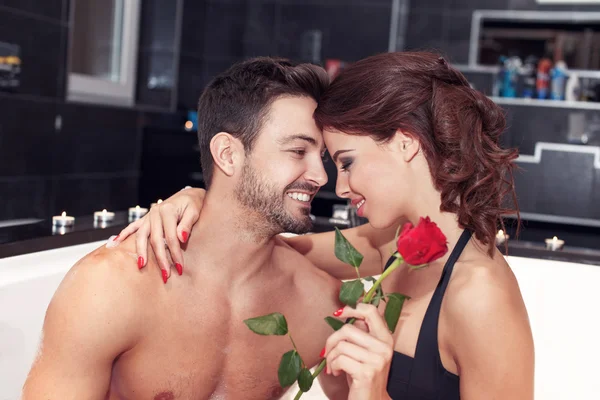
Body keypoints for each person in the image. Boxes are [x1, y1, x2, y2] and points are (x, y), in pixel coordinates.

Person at [118, 52, 535, 399]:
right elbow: (265, 248)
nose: (339, 185)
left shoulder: (481, 295)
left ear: (406, 142)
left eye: (347, 162)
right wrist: (203, 199)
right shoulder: (393, 246)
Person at [22, 57, 354, 400]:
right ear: (227, 154)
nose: (321, 176)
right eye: (298, 150)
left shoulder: (318, 302)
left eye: (322, 157)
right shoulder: (111, 287)